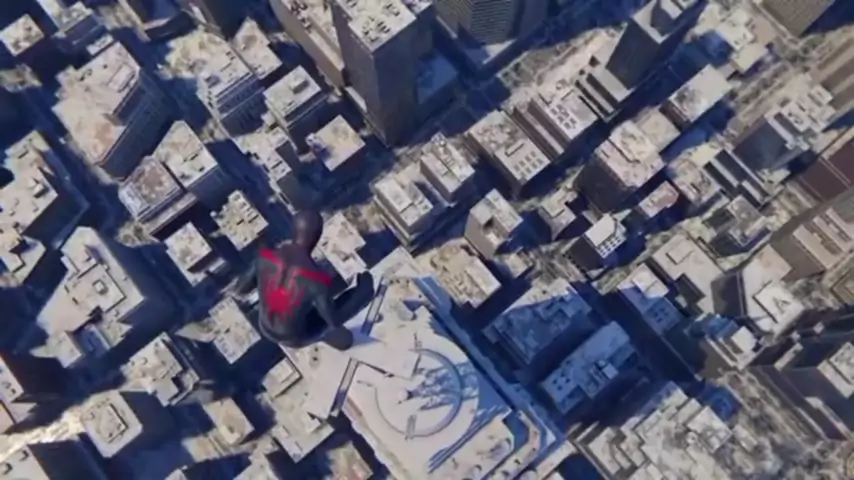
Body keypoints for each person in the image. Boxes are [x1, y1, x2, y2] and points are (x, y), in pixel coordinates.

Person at [250, 211, 374, 350]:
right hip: (293, 337)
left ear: (294, 230)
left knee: (305, 303)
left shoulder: (264, 257)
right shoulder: (315, 279)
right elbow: (333, 320)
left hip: (264, 324)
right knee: (359, 296)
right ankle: (363, 294)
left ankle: (328, 333)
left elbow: (241, 288)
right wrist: (363, 289)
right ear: (317, 238)